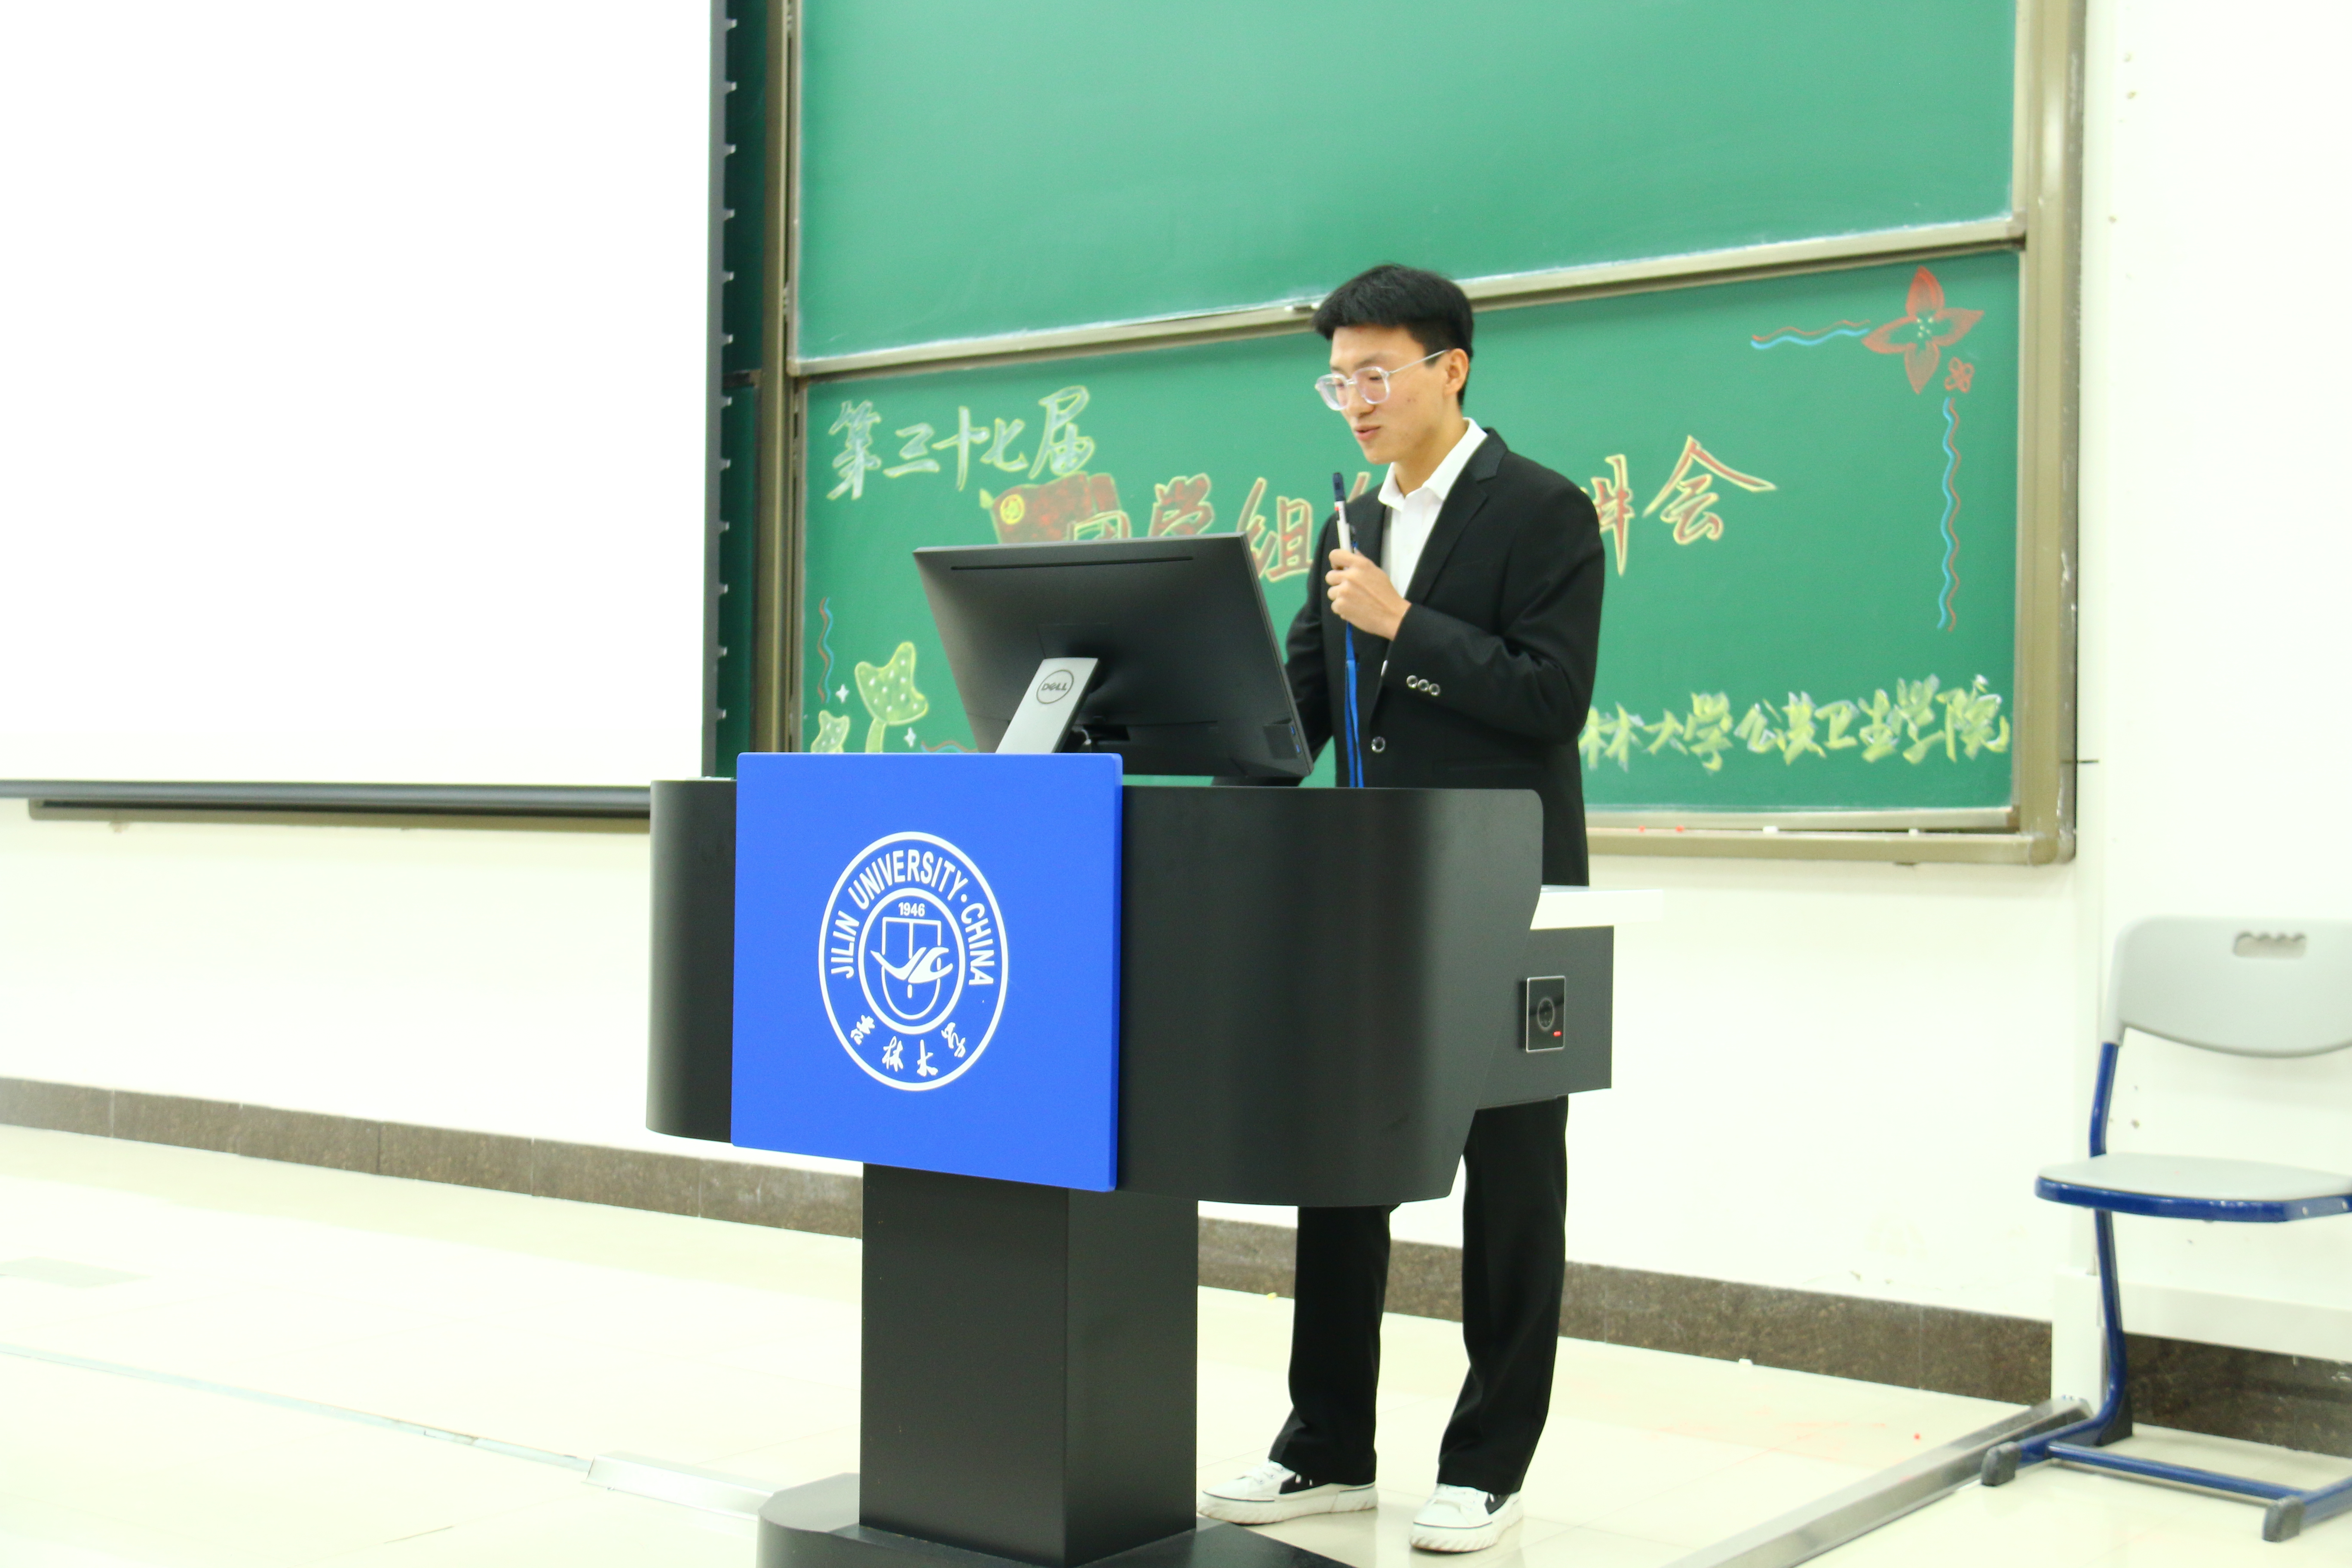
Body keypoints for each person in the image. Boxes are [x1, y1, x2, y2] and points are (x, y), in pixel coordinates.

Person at [1196, 264, 1605, 1553]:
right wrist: (1176, 737)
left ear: (1451, 368)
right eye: (1339, 383)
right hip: (1371, 894)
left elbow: (1552, 698)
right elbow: (1296, 714)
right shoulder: (1351, 520)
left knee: (1513, 1180)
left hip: (1512, 890)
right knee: (1343, 1163)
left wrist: (1405, 624)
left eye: (1376, 375)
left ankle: (1488, 1464)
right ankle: (1325, 1444)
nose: (1357, 402)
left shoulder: (1543, 509)